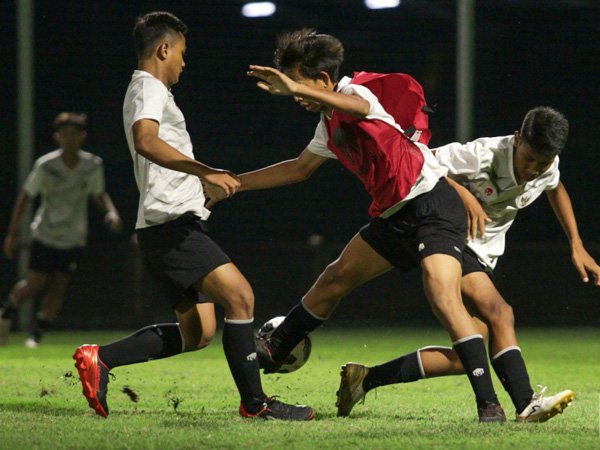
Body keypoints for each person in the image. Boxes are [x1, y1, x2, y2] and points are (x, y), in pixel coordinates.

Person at [208, 28, 506, 422]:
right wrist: (235, 183)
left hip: (430, 204)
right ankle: (277, 346)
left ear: (325, 80)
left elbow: (359, 110)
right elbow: (299, 169)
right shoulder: (327, 124)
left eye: (298, 82)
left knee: (443, 295)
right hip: (392, 216)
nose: (294, 93)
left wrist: (295, 89)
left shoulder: (359, 93)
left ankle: (489, 405)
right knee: (334, 279)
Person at [71, 11, 313, 421]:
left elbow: (158, 157)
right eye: (181, 53)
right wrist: (205, 171)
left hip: (166, 224)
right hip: (171, 226)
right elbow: (145, 141)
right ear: (164, 49)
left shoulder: (150, 92)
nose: (184, 62)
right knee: (241, 297)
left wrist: (204, 192)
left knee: (198, 332)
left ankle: (101, 359)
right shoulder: (148, 87)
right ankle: (256, 406)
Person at [336, 106, 598, 422]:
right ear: (517, 140)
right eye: (528, 159)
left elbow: (555, 187)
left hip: (483, 254)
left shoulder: (546, 165)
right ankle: (526, 403)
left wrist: (576, 243)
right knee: (500, 312)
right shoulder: (482, 154)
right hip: (450, 239)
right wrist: (464, 194)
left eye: (541, 164)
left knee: (465, 357)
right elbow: (423, 159)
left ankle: (364, 379)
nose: (533, 169)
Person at [0, 112, 122, 348]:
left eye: (74, 135)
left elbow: (98, 194)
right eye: (64, 134)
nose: (69, 139)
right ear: (57, 137)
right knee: (34, 283)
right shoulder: (46, 165)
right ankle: (6, 312)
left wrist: (111, 212)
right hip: (45, 233)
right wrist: (12, 233)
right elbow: (26, 196)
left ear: (82, 137)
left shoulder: (92, 164)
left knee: (59, 286)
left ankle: (36, 335)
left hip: (74, 237)